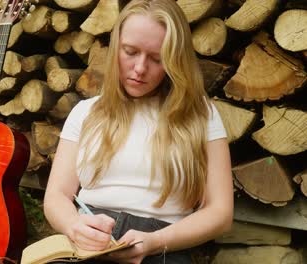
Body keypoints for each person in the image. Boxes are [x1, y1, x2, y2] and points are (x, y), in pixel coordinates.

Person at [43, 0, 233, 263]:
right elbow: (56, 196)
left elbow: (220, 212)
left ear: (174, 61)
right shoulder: (86, 112)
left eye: (157, 58)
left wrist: (156, 242)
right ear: (115, 48)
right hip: (88, 241)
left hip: (164, 244)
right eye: (130, 52)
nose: (140, 68)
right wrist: (73, 225)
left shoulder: (200, 115)